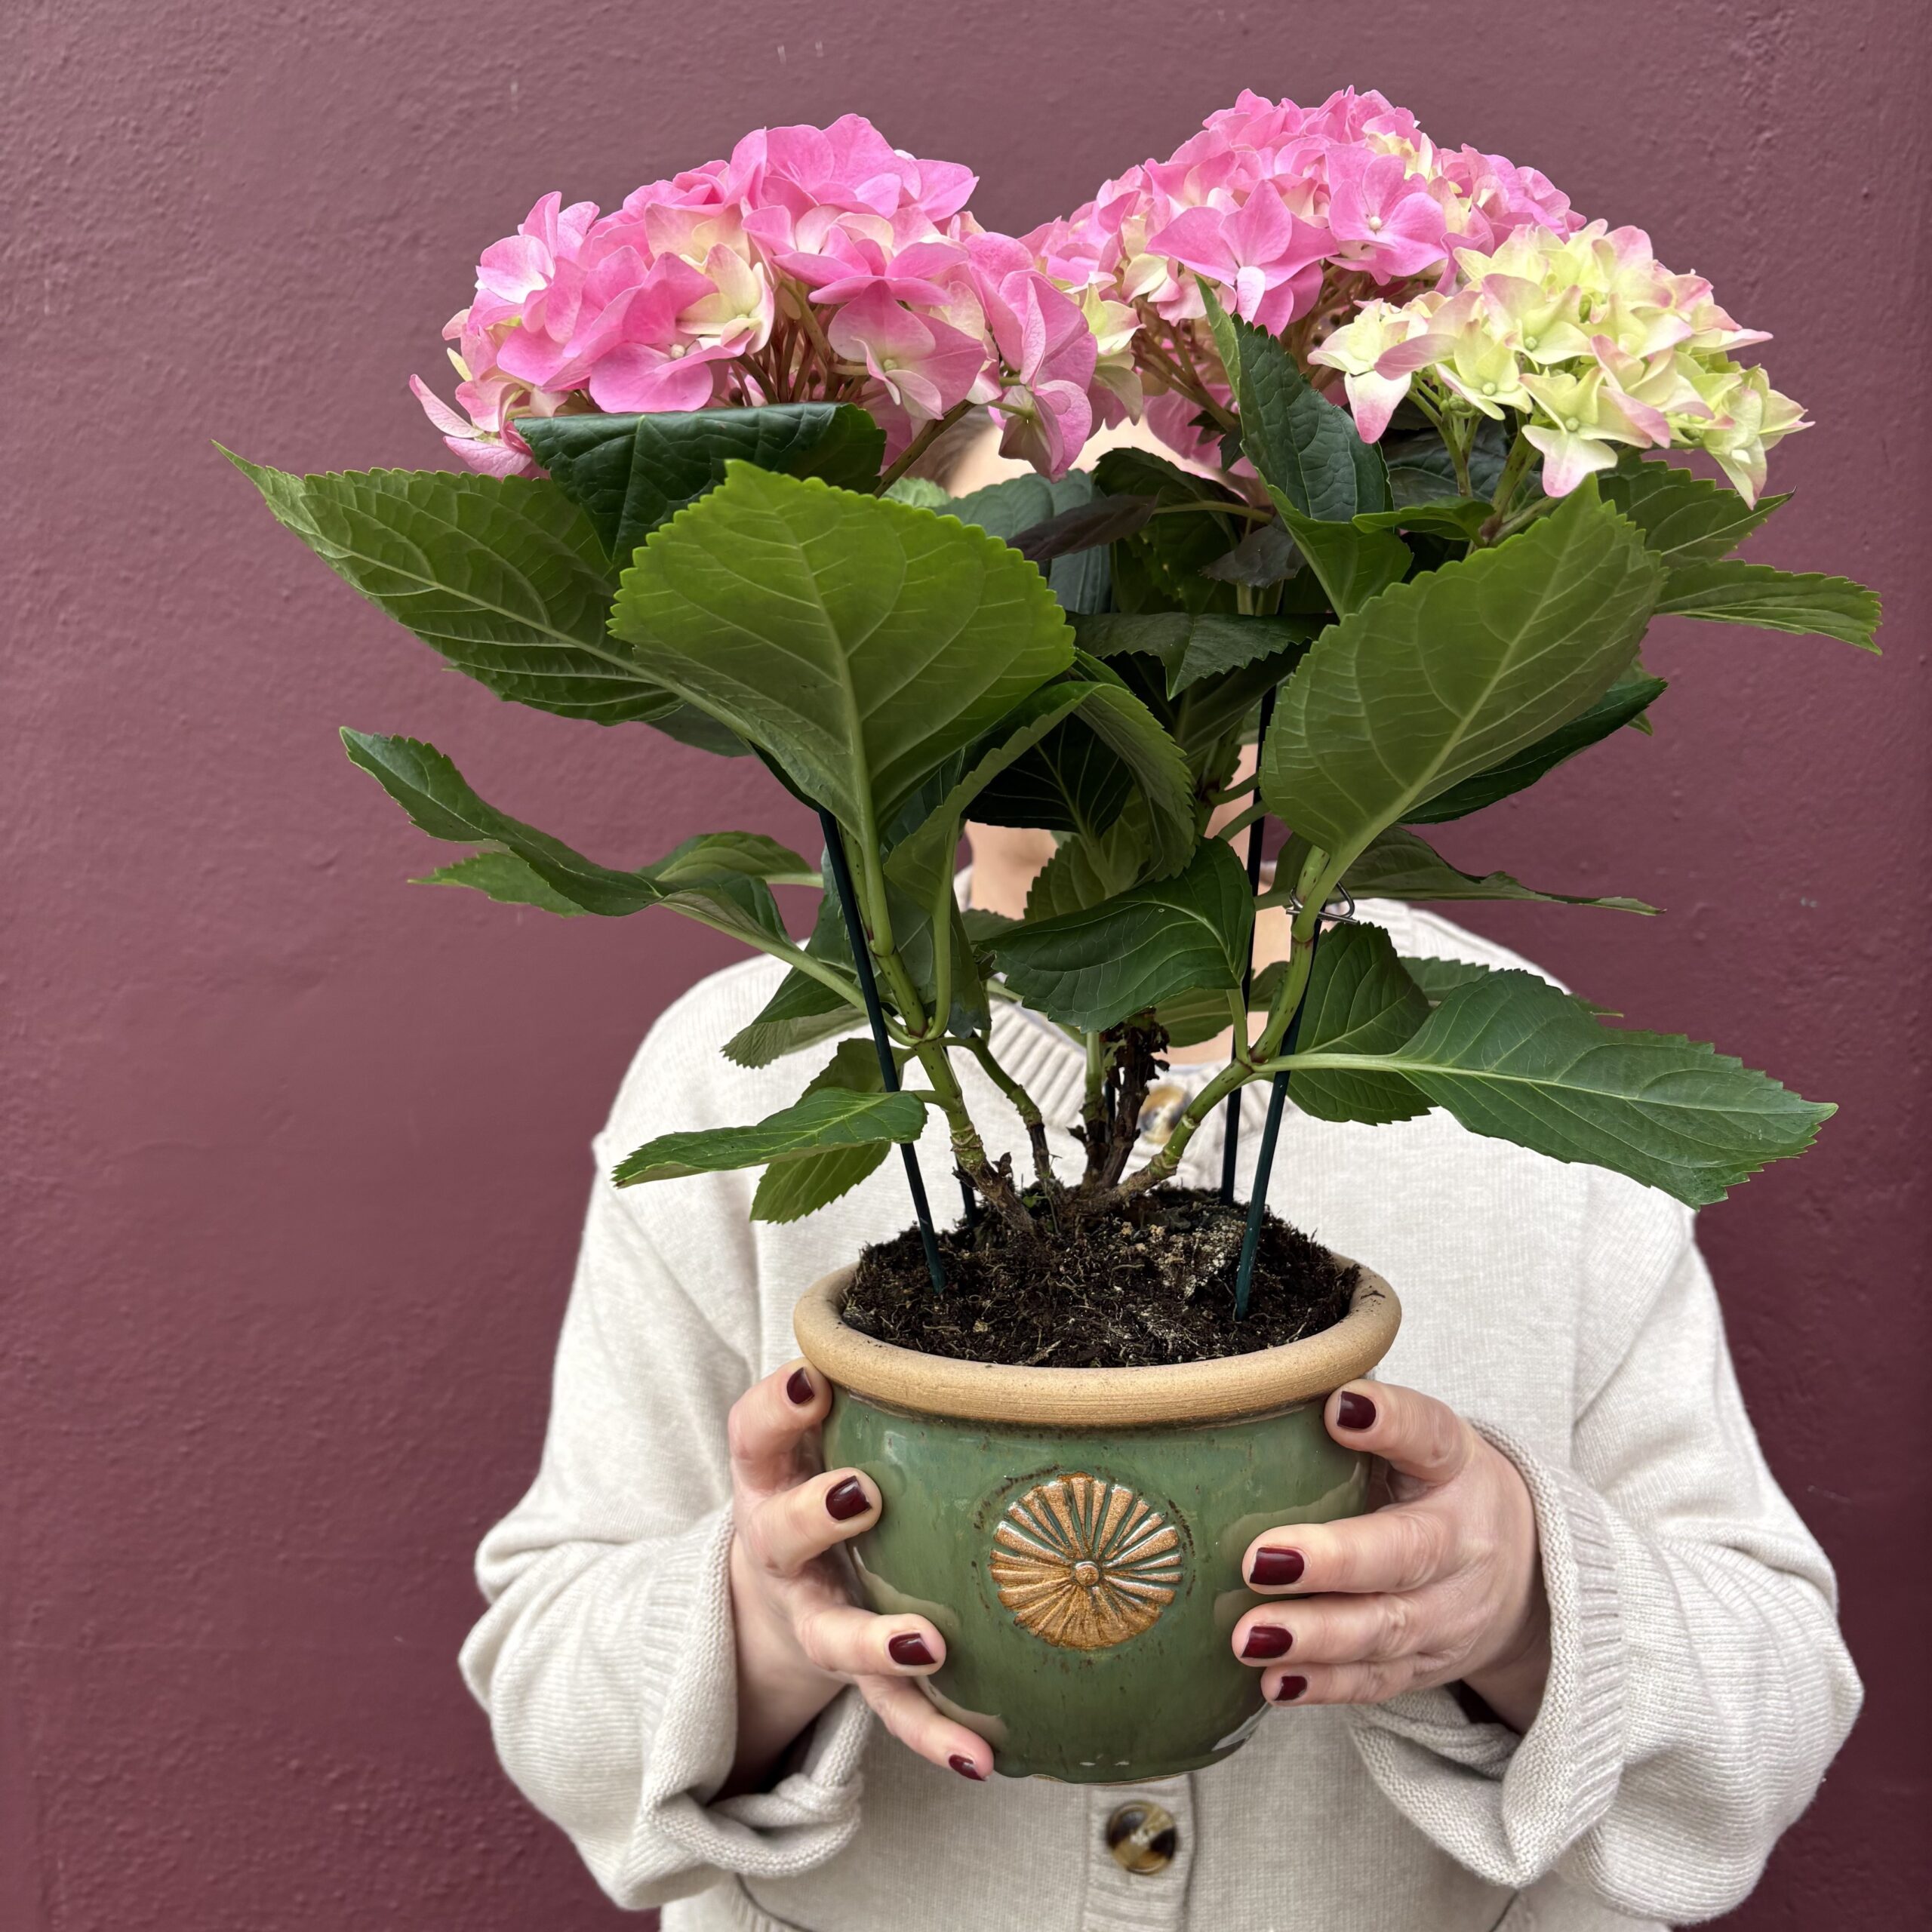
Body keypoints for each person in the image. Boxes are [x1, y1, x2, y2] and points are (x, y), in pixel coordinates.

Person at [457, 809, 1861, 1931]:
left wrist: (1525, 1599)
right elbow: (550, 1696)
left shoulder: (1508, 1090)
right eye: (1008, 561)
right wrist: (762, 1626)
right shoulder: (733, 1078)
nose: (1099, 623)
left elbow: (1770, 1727)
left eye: (1178, 536)